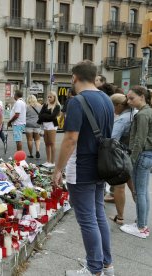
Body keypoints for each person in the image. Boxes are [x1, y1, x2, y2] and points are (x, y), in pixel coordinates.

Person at [52, 60, 114, 276]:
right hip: (101, 166)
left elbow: (70, 139)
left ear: (74, 77)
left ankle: (94, 269)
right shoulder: (106, 98)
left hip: (82, 167)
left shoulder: (77, 101)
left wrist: (57, 169)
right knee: (98, 215)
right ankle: (105, 264)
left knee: (88, 219)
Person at [120, 86, 152, 239]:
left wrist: (132, 159)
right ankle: (142, 223)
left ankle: (141, 227)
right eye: (128, 98)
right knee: (143, 192)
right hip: (147, 155)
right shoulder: (147, 112)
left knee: (140, 192)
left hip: (142, 155)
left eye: (132, 98)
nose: (129, 101)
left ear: (142, 97)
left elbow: (139, 139)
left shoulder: (143, 115)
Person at [105, 93, 136, 225]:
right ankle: (141, 217)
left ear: (118, 106)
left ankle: (121, 217)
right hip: (132, 155)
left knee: (119, 186)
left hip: (122, 157)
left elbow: (112, 138)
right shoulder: (134, 113)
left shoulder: (122, 119)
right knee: (134, 187)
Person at [38, 91, 60, 167]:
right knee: (46, 143)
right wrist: (46, 115)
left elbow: (52, 117)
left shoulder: (57, 106)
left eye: (51, 97)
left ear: (54, 97)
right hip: (45, 125)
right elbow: (40, 115)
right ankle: (48, 161)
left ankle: (53, 162)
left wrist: (44, 115)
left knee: (52, 143)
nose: (49, 98)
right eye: (48, 97)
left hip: (52, 125)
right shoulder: (45, 105)